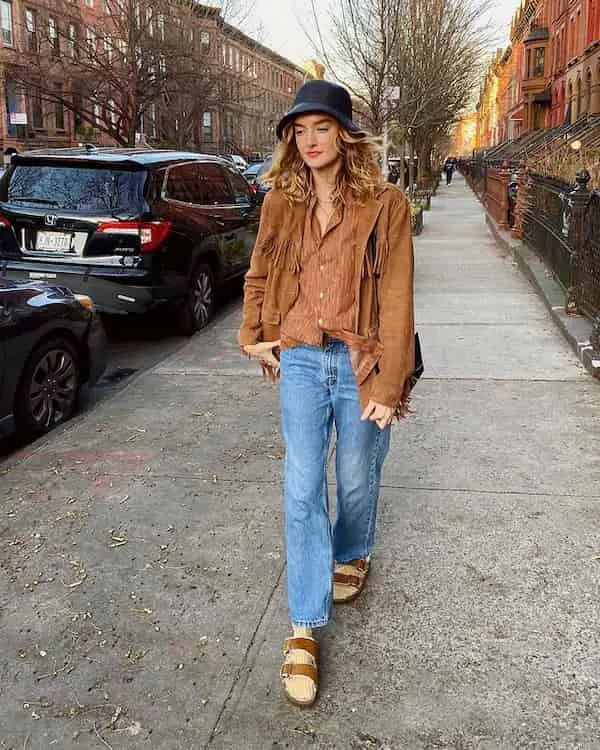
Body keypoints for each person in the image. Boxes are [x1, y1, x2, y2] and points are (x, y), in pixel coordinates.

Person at [238, 79, 415, 708]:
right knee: (302, 488)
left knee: (358, 477)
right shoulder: (279, 203)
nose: (310, 141)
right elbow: (260, 270)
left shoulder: (386, 205)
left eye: (322, 128)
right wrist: (253, 333)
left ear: (345, 134)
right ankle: (304, 628)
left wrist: (390, 385)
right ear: (291, 138)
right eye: (299, 130)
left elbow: (397, 297)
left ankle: (355, 548)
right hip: (303, 359)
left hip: (362, 357)